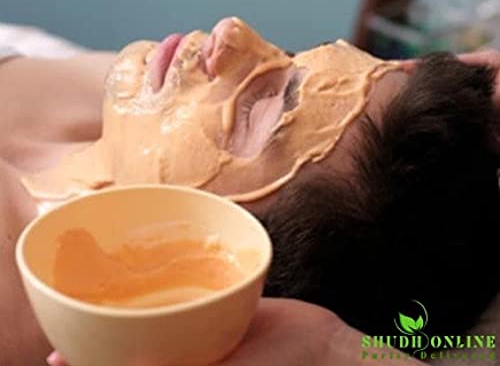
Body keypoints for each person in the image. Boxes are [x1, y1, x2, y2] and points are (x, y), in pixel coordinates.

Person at [0, 18, 499, 365]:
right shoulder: (134, 95)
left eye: (256, 108)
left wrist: (330, 350)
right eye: (290, 58)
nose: (231, 32)